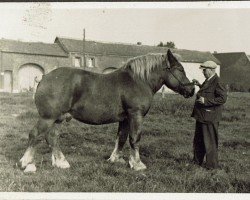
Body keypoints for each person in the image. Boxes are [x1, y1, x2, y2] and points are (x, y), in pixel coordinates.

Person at [191, 61, 227, 169]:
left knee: (210, 142)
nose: (203, 72)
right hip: (201, 116)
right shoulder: (209, 80)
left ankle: (212, 167)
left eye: (204, 70)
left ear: (211, 70)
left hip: (210, 117)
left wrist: (206, 101)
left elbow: (222, 98)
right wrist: (199, 85)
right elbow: (210, 91)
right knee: (199, 140)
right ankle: (197, 163)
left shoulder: (218, 81)